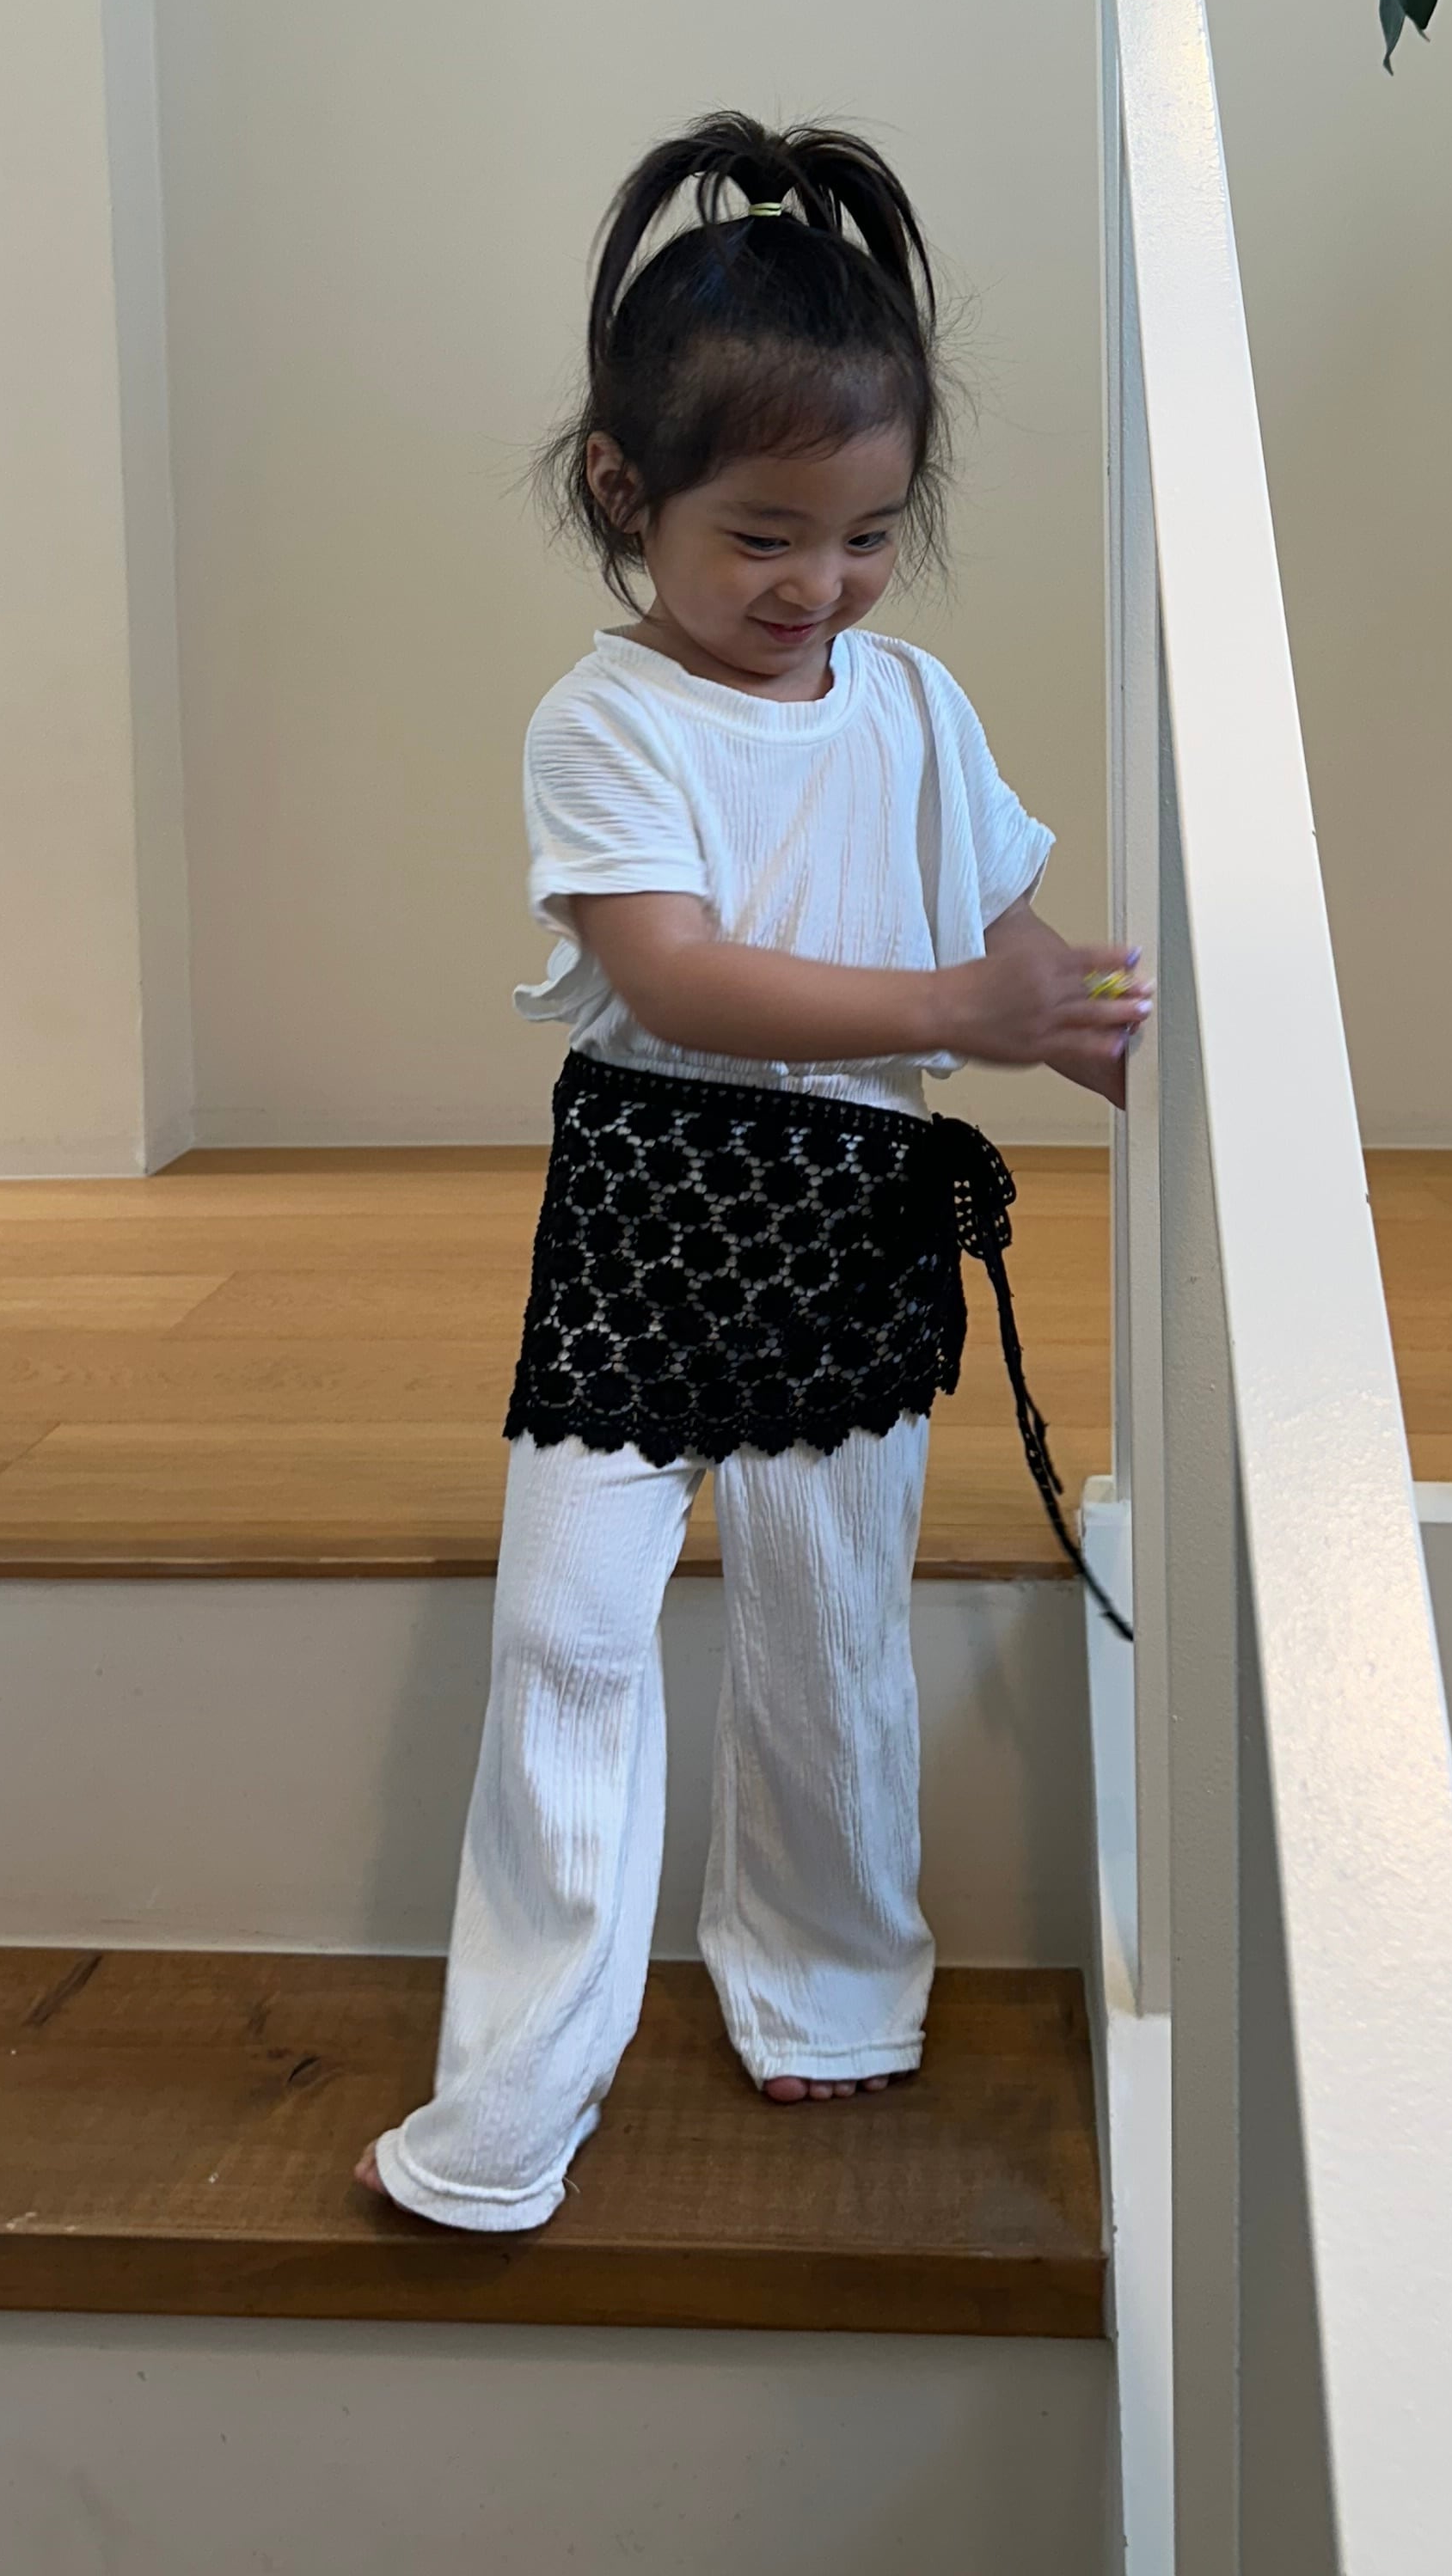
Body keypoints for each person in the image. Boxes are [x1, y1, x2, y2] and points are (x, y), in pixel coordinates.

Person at [359, 112, 1148, 2234]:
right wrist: (962, 1011)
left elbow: (1003, 938)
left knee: (827, 1636)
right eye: (767, 537)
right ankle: (518, 2081)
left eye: (870, 534)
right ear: (630, 494)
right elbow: (676, 976)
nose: (821, 585)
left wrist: (1100, 1033)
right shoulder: (603, 724)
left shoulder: (914, 707)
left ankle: (829, 1987)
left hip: (850, 1226)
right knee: (569, 1636)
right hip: (652, 1218)